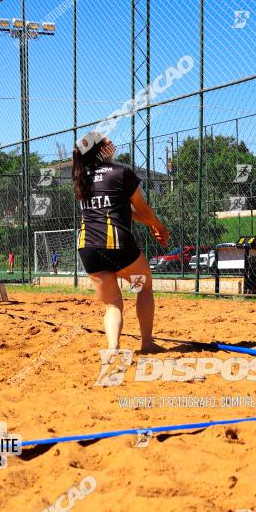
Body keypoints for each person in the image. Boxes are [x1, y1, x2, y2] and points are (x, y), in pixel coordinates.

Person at [72, 130, 168, 352]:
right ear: (99, 150)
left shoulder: (81, 177)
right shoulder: (120, 172)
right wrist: (159, 227)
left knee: (112, 304)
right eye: (106, 141)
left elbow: (124, 209)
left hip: (89, 251)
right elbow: (141, 208)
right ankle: (146, 343)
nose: (111, 142)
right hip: (119, 248)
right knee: (143, 287)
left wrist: (149, 223)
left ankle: (113, 346)